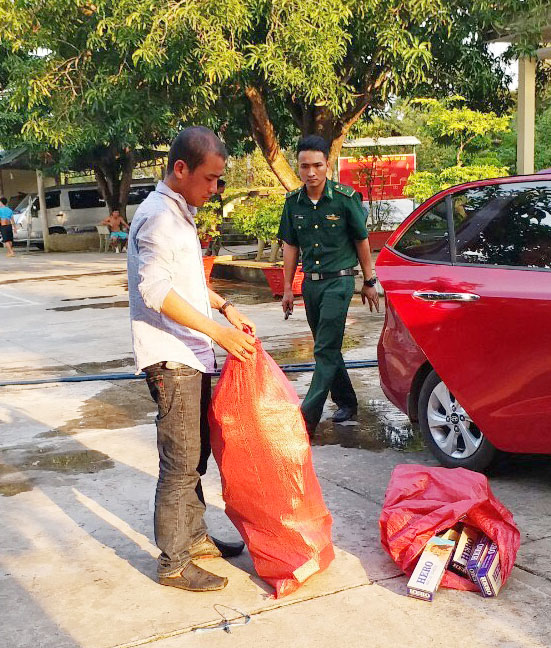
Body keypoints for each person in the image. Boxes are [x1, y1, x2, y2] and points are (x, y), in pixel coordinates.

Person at [127, 126, 258, 592]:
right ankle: (174, 563)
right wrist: (218, 332)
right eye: (210, 178)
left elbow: (184, 283)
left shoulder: (179, 213)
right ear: (180, 169)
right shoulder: (159, 218)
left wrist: (223, 306)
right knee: (180, 465)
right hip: (173, 359)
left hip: (192, 354)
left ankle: (196, 537)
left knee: (196, 456)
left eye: (220, 180)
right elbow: (156, 290)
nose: (215, 189)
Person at [278, 135, 381, 434]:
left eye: (317, 166)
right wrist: (288, 288)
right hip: (311, 285)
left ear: (328, 165)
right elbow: (290, 246)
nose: (311, 172)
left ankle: (306, 418)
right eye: (304, 166)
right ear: (298, 167)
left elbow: (362, 241)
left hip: (340, 282)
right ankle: (347, 401)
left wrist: (369, 280)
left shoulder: (345, 199)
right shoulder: (293, 203)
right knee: (329, 347)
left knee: (323, 348)